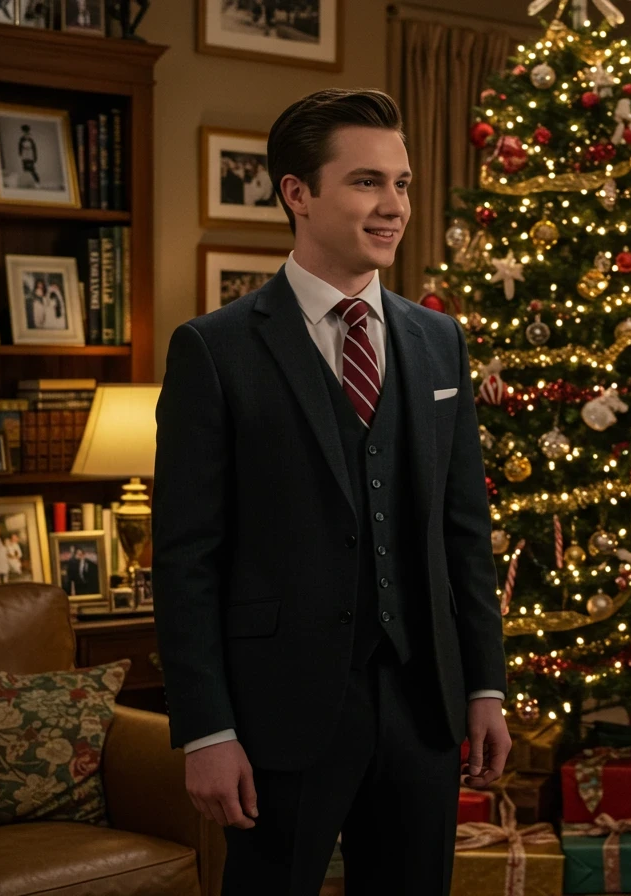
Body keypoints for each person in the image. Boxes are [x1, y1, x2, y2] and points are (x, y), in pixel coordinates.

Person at [153, 88, 509, 896]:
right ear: (297, 193)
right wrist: (206, 729)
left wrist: (484, 686)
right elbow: (185, 559)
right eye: (367, 183)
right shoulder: (213, 351)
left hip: (423, 708)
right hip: (281, 716)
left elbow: (464, 533)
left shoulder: (436, 340)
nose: (394, 207)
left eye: (403, 183)